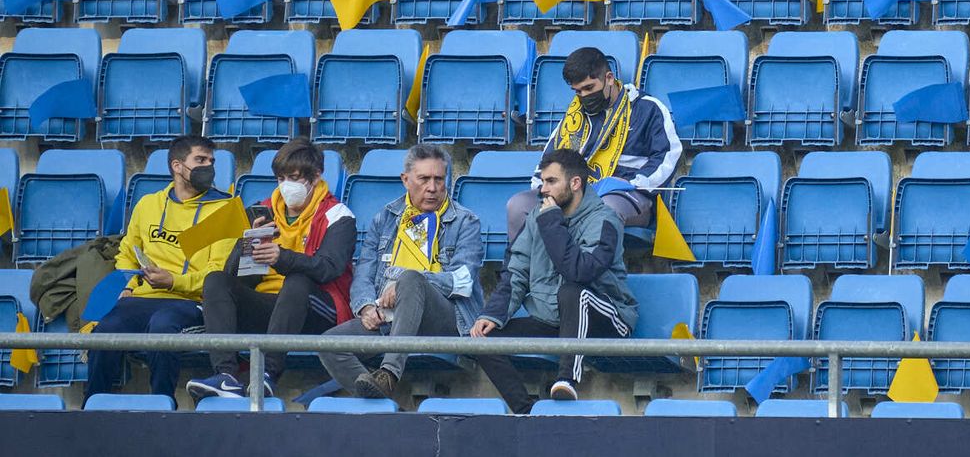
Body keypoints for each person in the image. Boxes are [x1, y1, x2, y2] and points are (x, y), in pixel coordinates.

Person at [188, 139, 356, 401]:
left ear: (316, 176)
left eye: (295, 178)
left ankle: (267, 374)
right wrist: (249, 242)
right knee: (217, 281)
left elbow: (328, 269)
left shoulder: (339, 215)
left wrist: (281, 257)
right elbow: (235, 276)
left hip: (318, 310)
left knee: (298, 281)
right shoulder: (263, 209)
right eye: (281, 178)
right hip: (270, 308)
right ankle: (226, 376)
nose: (286, 185)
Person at [472, 148, 638, 412]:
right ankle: (526, 410)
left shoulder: (605, 219)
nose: (543, 189)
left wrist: (552, 223)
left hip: (607, 317)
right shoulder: (539, 217)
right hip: (556, 321)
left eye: (551, 182)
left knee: (574, 292)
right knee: (481, 339)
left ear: (575, 183)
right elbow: (516, 270)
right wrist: (493, 315)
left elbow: (580, 272)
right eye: (542, 181)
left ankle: (567, 379)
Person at [318, 144, 484, 401]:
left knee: (411, 278)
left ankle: (388, 374)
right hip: (389, 317)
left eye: (439, 179)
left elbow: (463, 281)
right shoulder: (384, 218)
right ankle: (381, 405)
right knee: (329, 345)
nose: (432, 187)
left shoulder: (465, 221)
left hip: (444, 317)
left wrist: (406, 281)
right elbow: (363, 273)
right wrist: (365, 307)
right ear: (406, 180)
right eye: (424, 179)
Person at [87, 136, 235, 399]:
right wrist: (129, 286)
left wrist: (173, 282)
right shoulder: (148, 205)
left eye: (211, 161)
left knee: (162, 326)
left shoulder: (226, 210)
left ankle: (162, 404)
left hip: (189, 301)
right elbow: (128, 254)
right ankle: (93, 405)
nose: (208, 167)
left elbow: (218, 275)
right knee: (105, 330)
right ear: (177, 166)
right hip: (141, 298)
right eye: (200, 160)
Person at [506, 47, 681, 239]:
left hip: (627, 193)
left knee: (602, 209)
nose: (583, 96)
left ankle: (589, 268)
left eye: (589, 88)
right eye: (577, 91)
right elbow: (551, 160)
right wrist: (545, 189)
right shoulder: (575, 116)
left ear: (609, 78)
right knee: (518, 205)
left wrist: (634, 182)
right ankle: (520, 269)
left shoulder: (648, 108)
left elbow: (668, 155)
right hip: (574, 190)